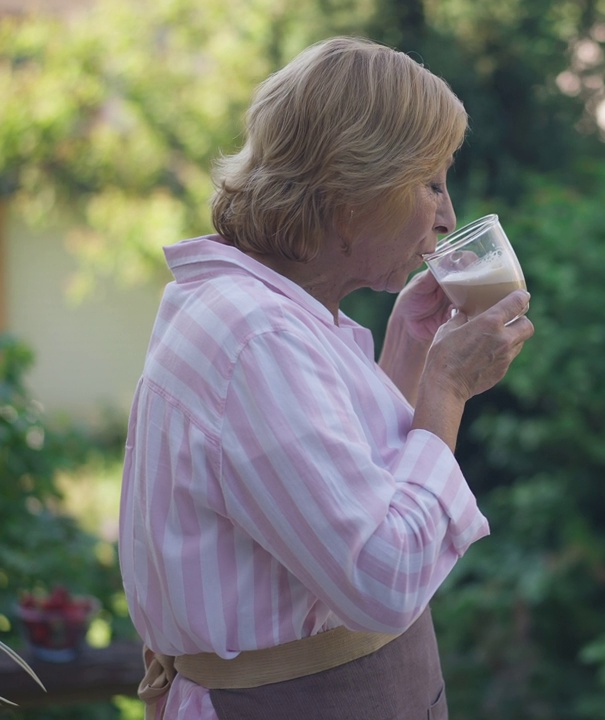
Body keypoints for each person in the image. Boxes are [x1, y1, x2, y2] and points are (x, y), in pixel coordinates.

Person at [118, 36, 534, 720]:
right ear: (350, 191)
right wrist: (446, 391)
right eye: (430, 181)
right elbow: (382, 577)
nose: (448, 216)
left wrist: (406, 355)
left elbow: (330, 495)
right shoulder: (257, 339)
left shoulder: (265, 316)